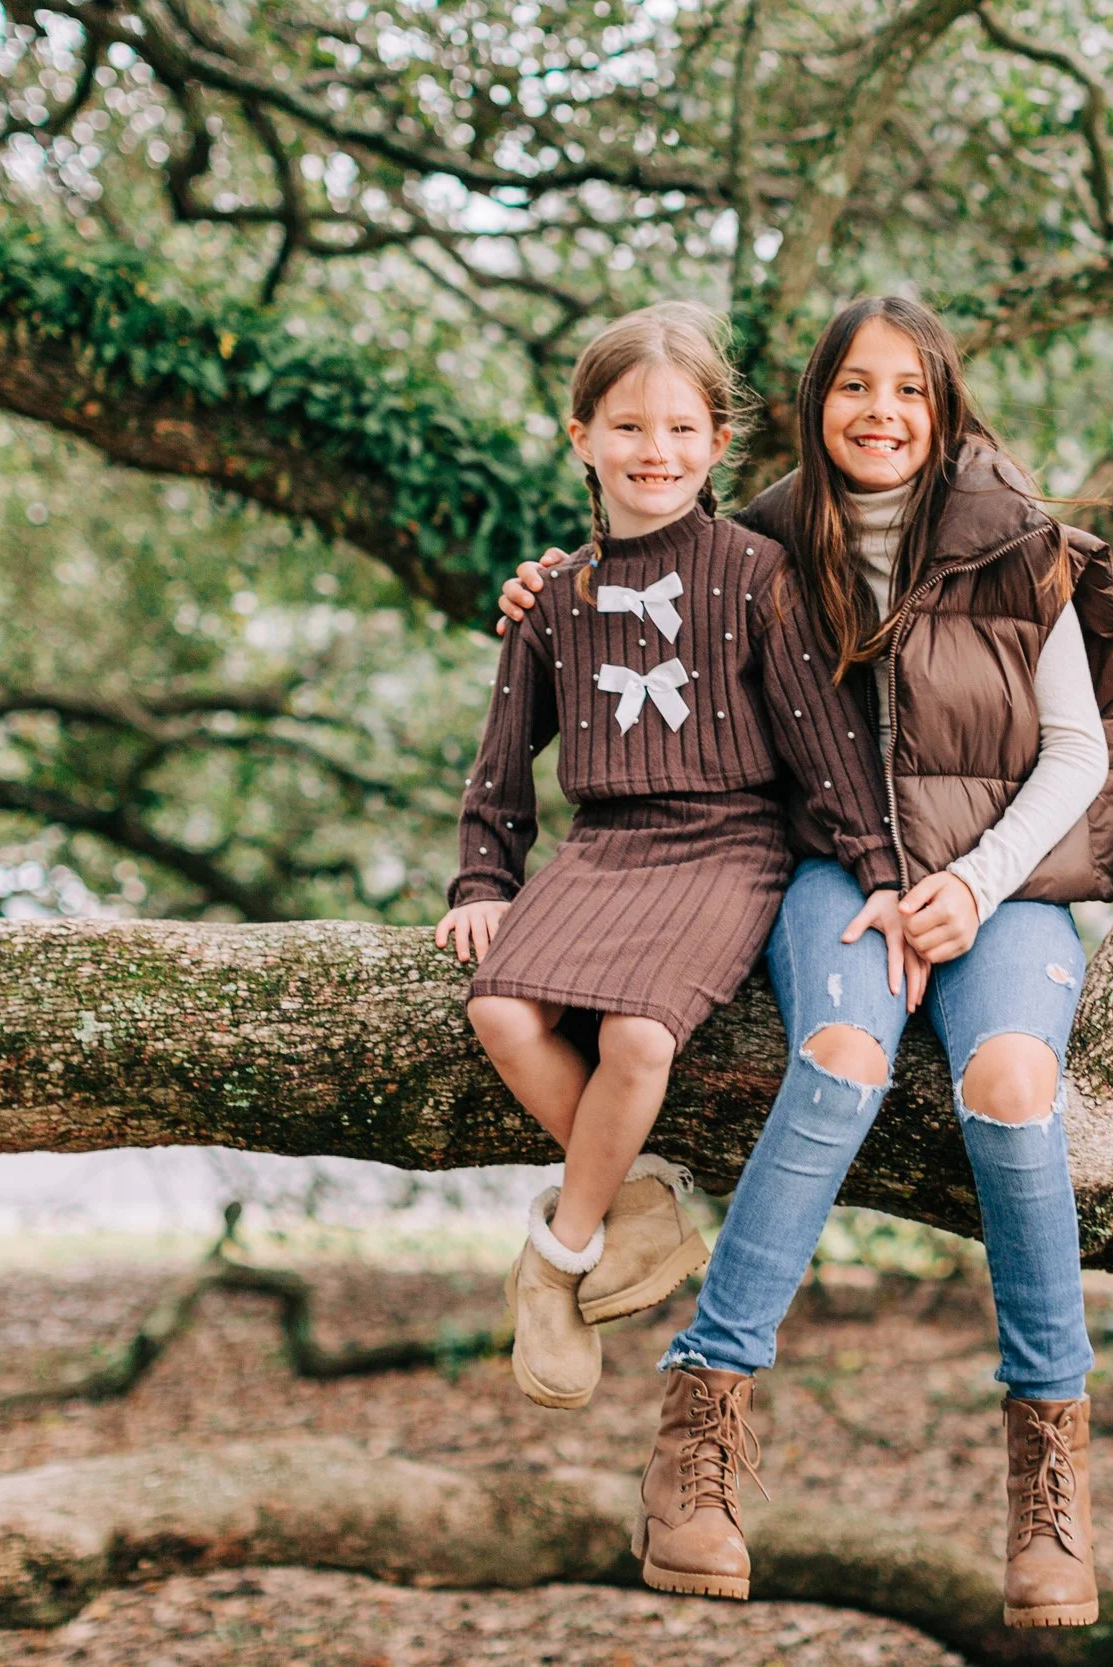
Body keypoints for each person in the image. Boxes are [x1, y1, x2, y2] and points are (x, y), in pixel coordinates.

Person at [495, 295, 1113, 1627]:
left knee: (1013, 1088)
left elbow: (1077, 751)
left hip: (1003, 880)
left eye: (909, 389)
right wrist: (545, 584)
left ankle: (1048, 1473)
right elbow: (639, 571)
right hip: (836, 867)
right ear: (813, 405)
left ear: (944, 405)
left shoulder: (1027, 548)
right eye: (855, 387)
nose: (882, 412)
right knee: (841, 1059)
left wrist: (970, 883)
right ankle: (702, 1429)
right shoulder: (771, 538)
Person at [437, 302, 899, 1431]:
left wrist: (877, 869)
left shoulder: (759, 572)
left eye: (684, 429)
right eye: (630, 427)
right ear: (580, 435)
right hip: (605, 848)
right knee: (499, 1009)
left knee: (640, 1033)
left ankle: (556, 1256)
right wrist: (483, 882)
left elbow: (822, 739)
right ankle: (638, 1197)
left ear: (719, 442)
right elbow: (502, 761)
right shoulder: (550, 598)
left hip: (727, 842)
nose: (658, 452)